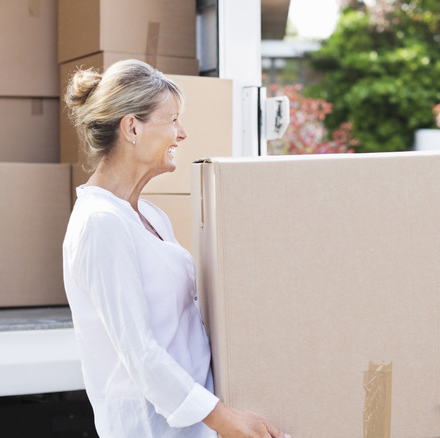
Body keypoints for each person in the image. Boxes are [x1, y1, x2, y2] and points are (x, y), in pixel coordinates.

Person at [62, 59, 288, 438]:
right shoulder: (100, 224)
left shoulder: (148, 214)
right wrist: (223, 419)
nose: (181, 134)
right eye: (172, 120)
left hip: (196, 423)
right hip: (152, 428)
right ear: (132, 127)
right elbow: (139, 353)